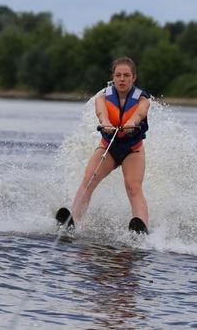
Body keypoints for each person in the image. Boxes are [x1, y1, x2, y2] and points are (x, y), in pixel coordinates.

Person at [56, 57, 151, 234]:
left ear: (134, 78)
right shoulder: (102, 97)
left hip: (133, 150)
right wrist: (106, 122)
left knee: (133, 186)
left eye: (126, 75)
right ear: (113, 77)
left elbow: (140, 113)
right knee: (89, 179)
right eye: (118, 75)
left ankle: (141, 227)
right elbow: (101, 113)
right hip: (108, 147)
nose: (122, 79)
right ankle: (73, 221)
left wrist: (132, 122)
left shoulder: (143, 99)